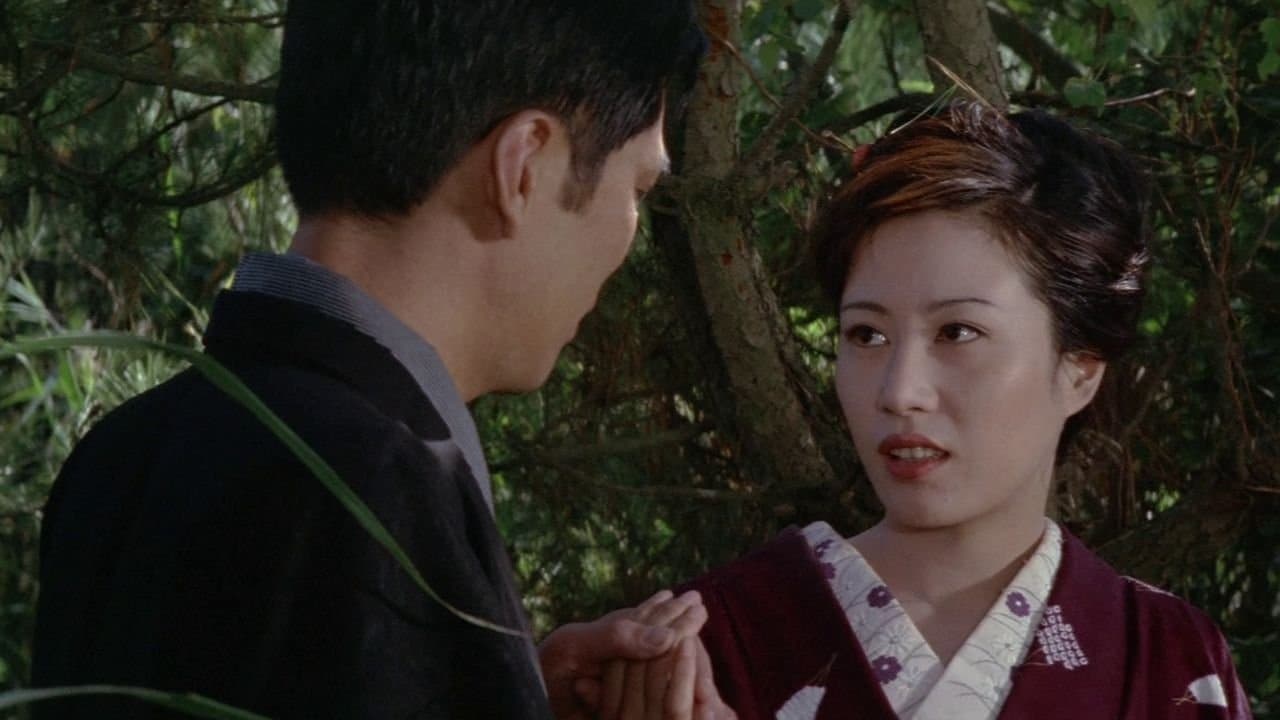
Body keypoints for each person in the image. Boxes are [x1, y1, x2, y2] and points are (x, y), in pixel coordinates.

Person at [31, 1, 726, 718]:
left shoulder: (123, 450)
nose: (631, 234)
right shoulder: (379, 494)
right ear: (524, 165)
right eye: (638, 189)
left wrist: (503, 687)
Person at [604, 102, 1253, 719]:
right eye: (867, 335)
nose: (899, 390)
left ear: (1079, 369)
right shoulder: (702, 644)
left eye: (957, 332)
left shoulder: (1172, 661)